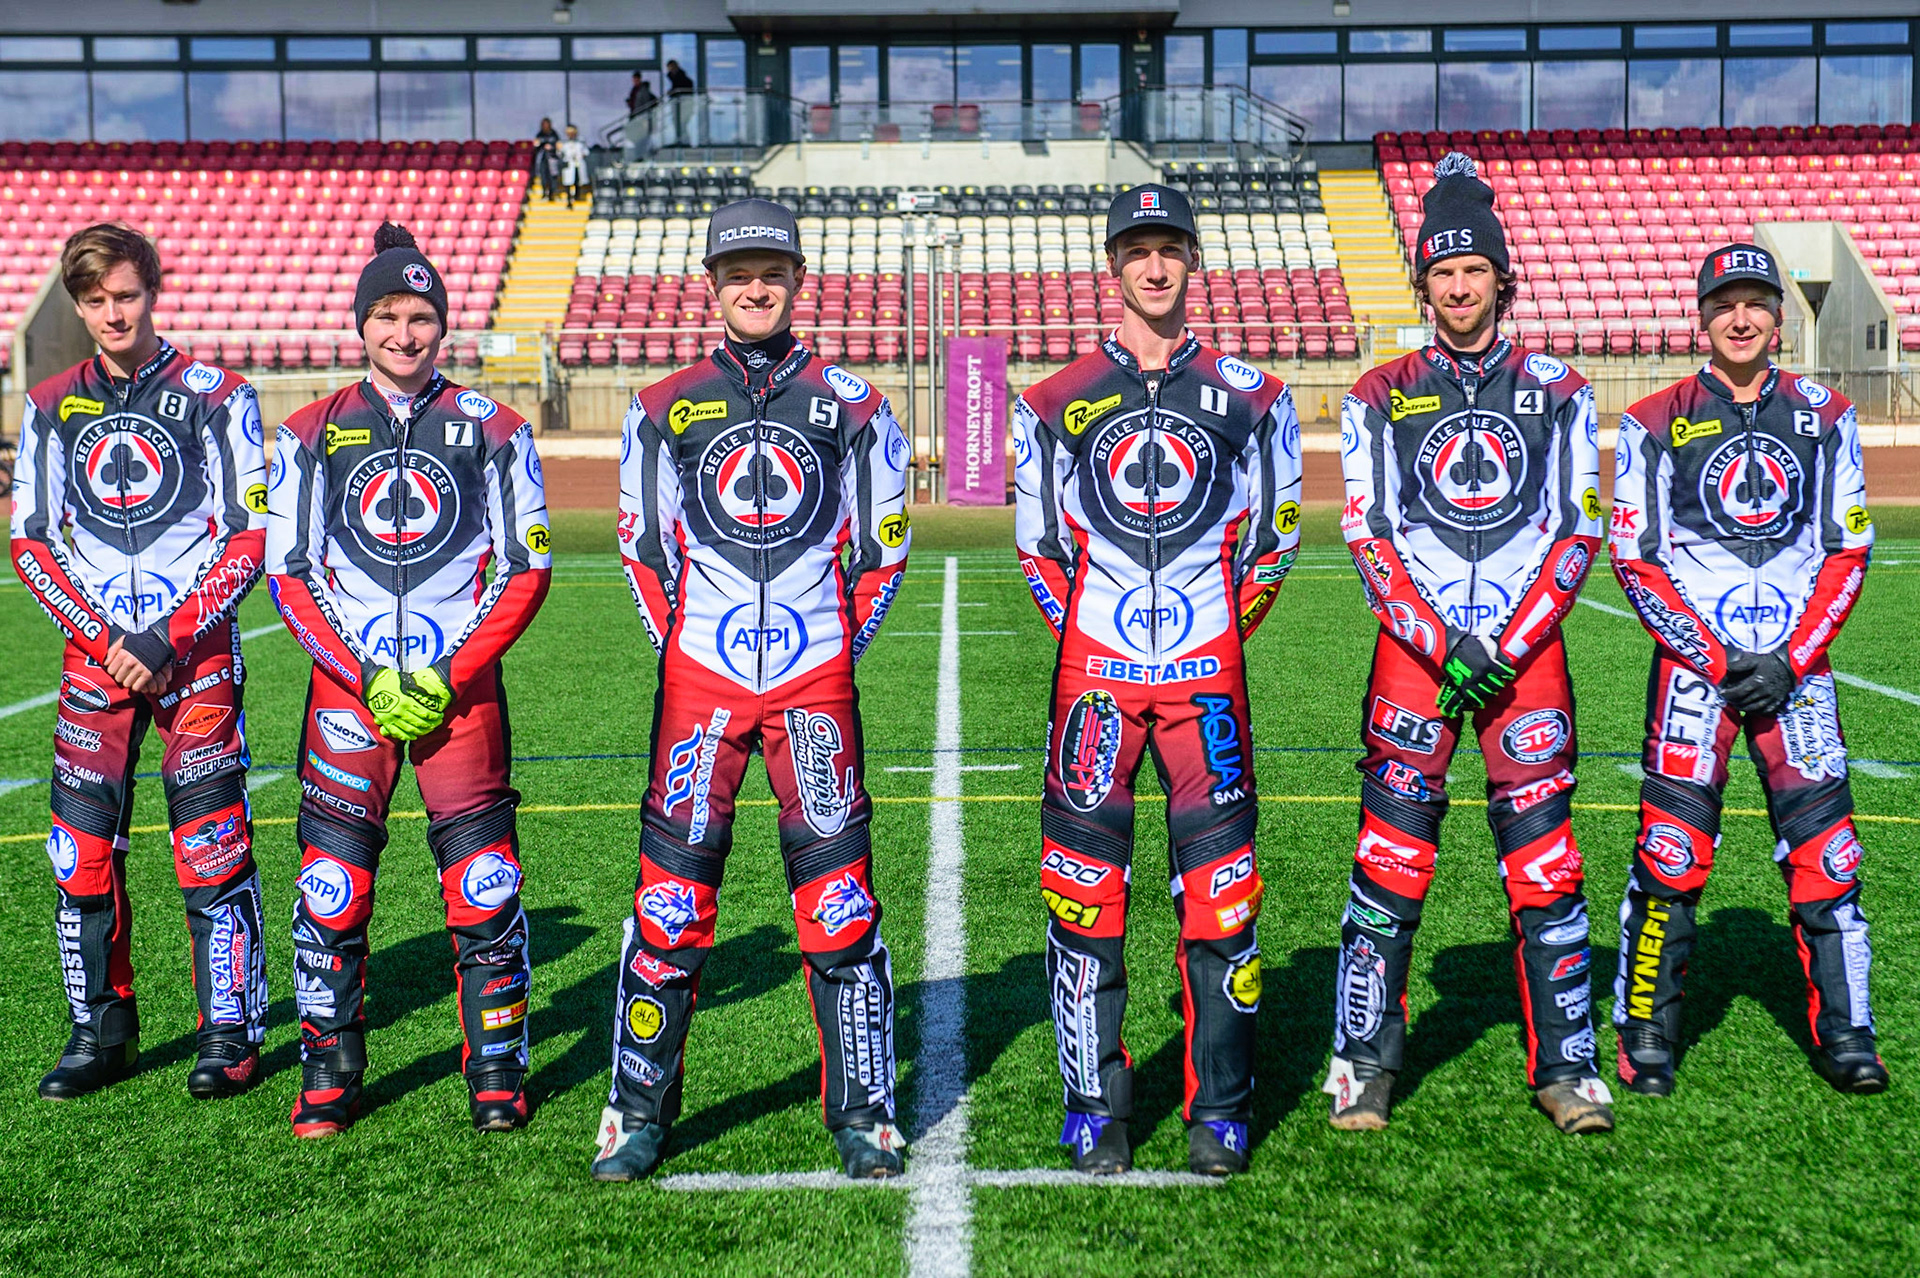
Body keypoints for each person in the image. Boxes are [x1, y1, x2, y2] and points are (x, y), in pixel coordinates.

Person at [594, 198, 911, 1182]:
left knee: (841, 903)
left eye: (772, 268)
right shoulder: (661, 405)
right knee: (670, 907)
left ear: (798, 276)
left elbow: (883, 545)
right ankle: (635, 1116)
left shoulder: (857, 403)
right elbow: (640, 548)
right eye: (738, 272)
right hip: (699, 686)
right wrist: (686, 649)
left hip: (817, 685)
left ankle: (865, 1115)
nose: (756, 286)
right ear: (713, 283)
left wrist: (830, 649)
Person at [1014, 184, 1303, 1176]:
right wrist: (1104, 641)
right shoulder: (1051, 399)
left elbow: (1274, 543)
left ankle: (1219, 1111)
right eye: (1138, 249)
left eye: (1170, 247)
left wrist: (1206, 636)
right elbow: (1039, 548)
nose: (1155, 265)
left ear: (1192, 261)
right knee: (1082, 902)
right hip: (1092, 690)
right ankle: (1094, 1106)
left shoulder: (1256, 395)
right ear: (1114, 265)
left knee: (1224, 904)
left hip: (1206, 690)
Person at [1327, 152, 1611, 1135]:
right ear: (1423, 283)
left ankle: (1569, 1068)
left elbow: (1580, 530)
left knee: (1546, 867)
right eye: (1441, 272)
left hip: (1528, 663)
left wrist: (1510, 639)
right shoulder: (1378, 391)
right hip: (1419, 654)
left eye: (1473, 269)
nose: (1457, 286)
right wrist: (1442, 639)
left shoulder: (1562, 388)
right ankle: (1361, 1065)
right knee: (1389, 862)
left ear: (1501, 277)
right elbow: (1363, 531)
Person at [265, 223, 552, 1136]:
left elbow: (527, 566)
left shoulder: (496, 429)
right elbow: (291, 574)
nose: (404, 333)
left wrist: (447, 673)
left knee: (485, 886)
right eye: (387, 315)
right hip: (348, 698)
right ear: (362, 324)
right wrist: (363, 673)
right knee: (331, 889)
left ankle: (498, 1072)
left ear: (443, 324)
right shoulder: (307, 433)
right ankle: (329, 1076)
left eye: (421, 316)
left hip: (458, 701)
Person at [1608, 244, 1884, 1097]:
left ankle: (1849, 1036)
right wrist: (1718, 656)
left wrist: (1792, 658)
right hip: (1697, 678)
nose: (1741, 318)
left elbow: (1850, 546)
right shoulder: (1653, 418)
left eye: (1757, 303)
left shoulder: (1829, 414)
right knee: (1670, 854)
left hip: (1798, 674)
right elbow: (1636, 557)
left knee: (1829, 855)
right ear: (1703, 314)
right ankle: (1647, 1037)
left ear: (1777, 316)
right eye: (1726, 302)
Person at [12, 223, 269, 1101]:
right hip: (95, 657)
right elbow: (30, 543)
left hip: (194, 654)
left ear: (152, 291)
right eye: (95, 301)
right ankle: (100, 1032)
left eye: (126, 295)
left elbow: (249, 535)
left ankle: (228, 1031)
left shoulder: (219, 395)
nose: (113, 313)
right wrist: (105, 640)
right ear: (79, 306)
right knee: (78, 851)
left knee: (210, 845)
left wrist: (166, 637)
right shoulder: (49, 404)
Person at [625, 76, 659, 162]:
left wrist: (645, 118)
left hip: (642, 119)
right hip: (639, 118)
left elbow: (645, 105)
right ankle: (641, 155)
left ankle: (642, 155)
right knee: (641, 138)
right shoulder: (636, 91)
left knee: (642, 138)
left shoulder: (642, 92)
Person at [558, 124, 590, 210]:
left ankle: (577, 196)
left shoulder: (581, 141)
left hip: (578, 163)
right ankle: (569, 200)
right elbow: (560, 153)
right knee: (568, 182)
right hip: (569, 164)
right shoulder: (564, 142)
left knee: (577, 181)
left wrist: (582, 155)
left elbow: (586, 151)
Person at [665, 59, 695, 147]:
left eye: (670, 68)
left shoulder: (682, 78)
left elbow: (680, 90)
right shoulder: (674, 77)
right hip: (678, 105)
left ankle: (684, 142)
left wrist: (671, 92)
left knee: (682, 124)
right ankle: (681, 140)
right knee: (679, 124)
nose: (669, 70)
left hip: (683, 105)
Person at [534, 117, 561, 202]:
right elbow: (536, 145)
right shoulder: (540, 134)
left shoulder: (554, 134)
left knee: (553, 176)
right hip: (543, 158)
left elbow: (558, 145)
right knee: (543, 176)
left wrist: (552, 147)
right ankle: (544, 192)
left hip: (552, 158)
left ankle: (552, 193)